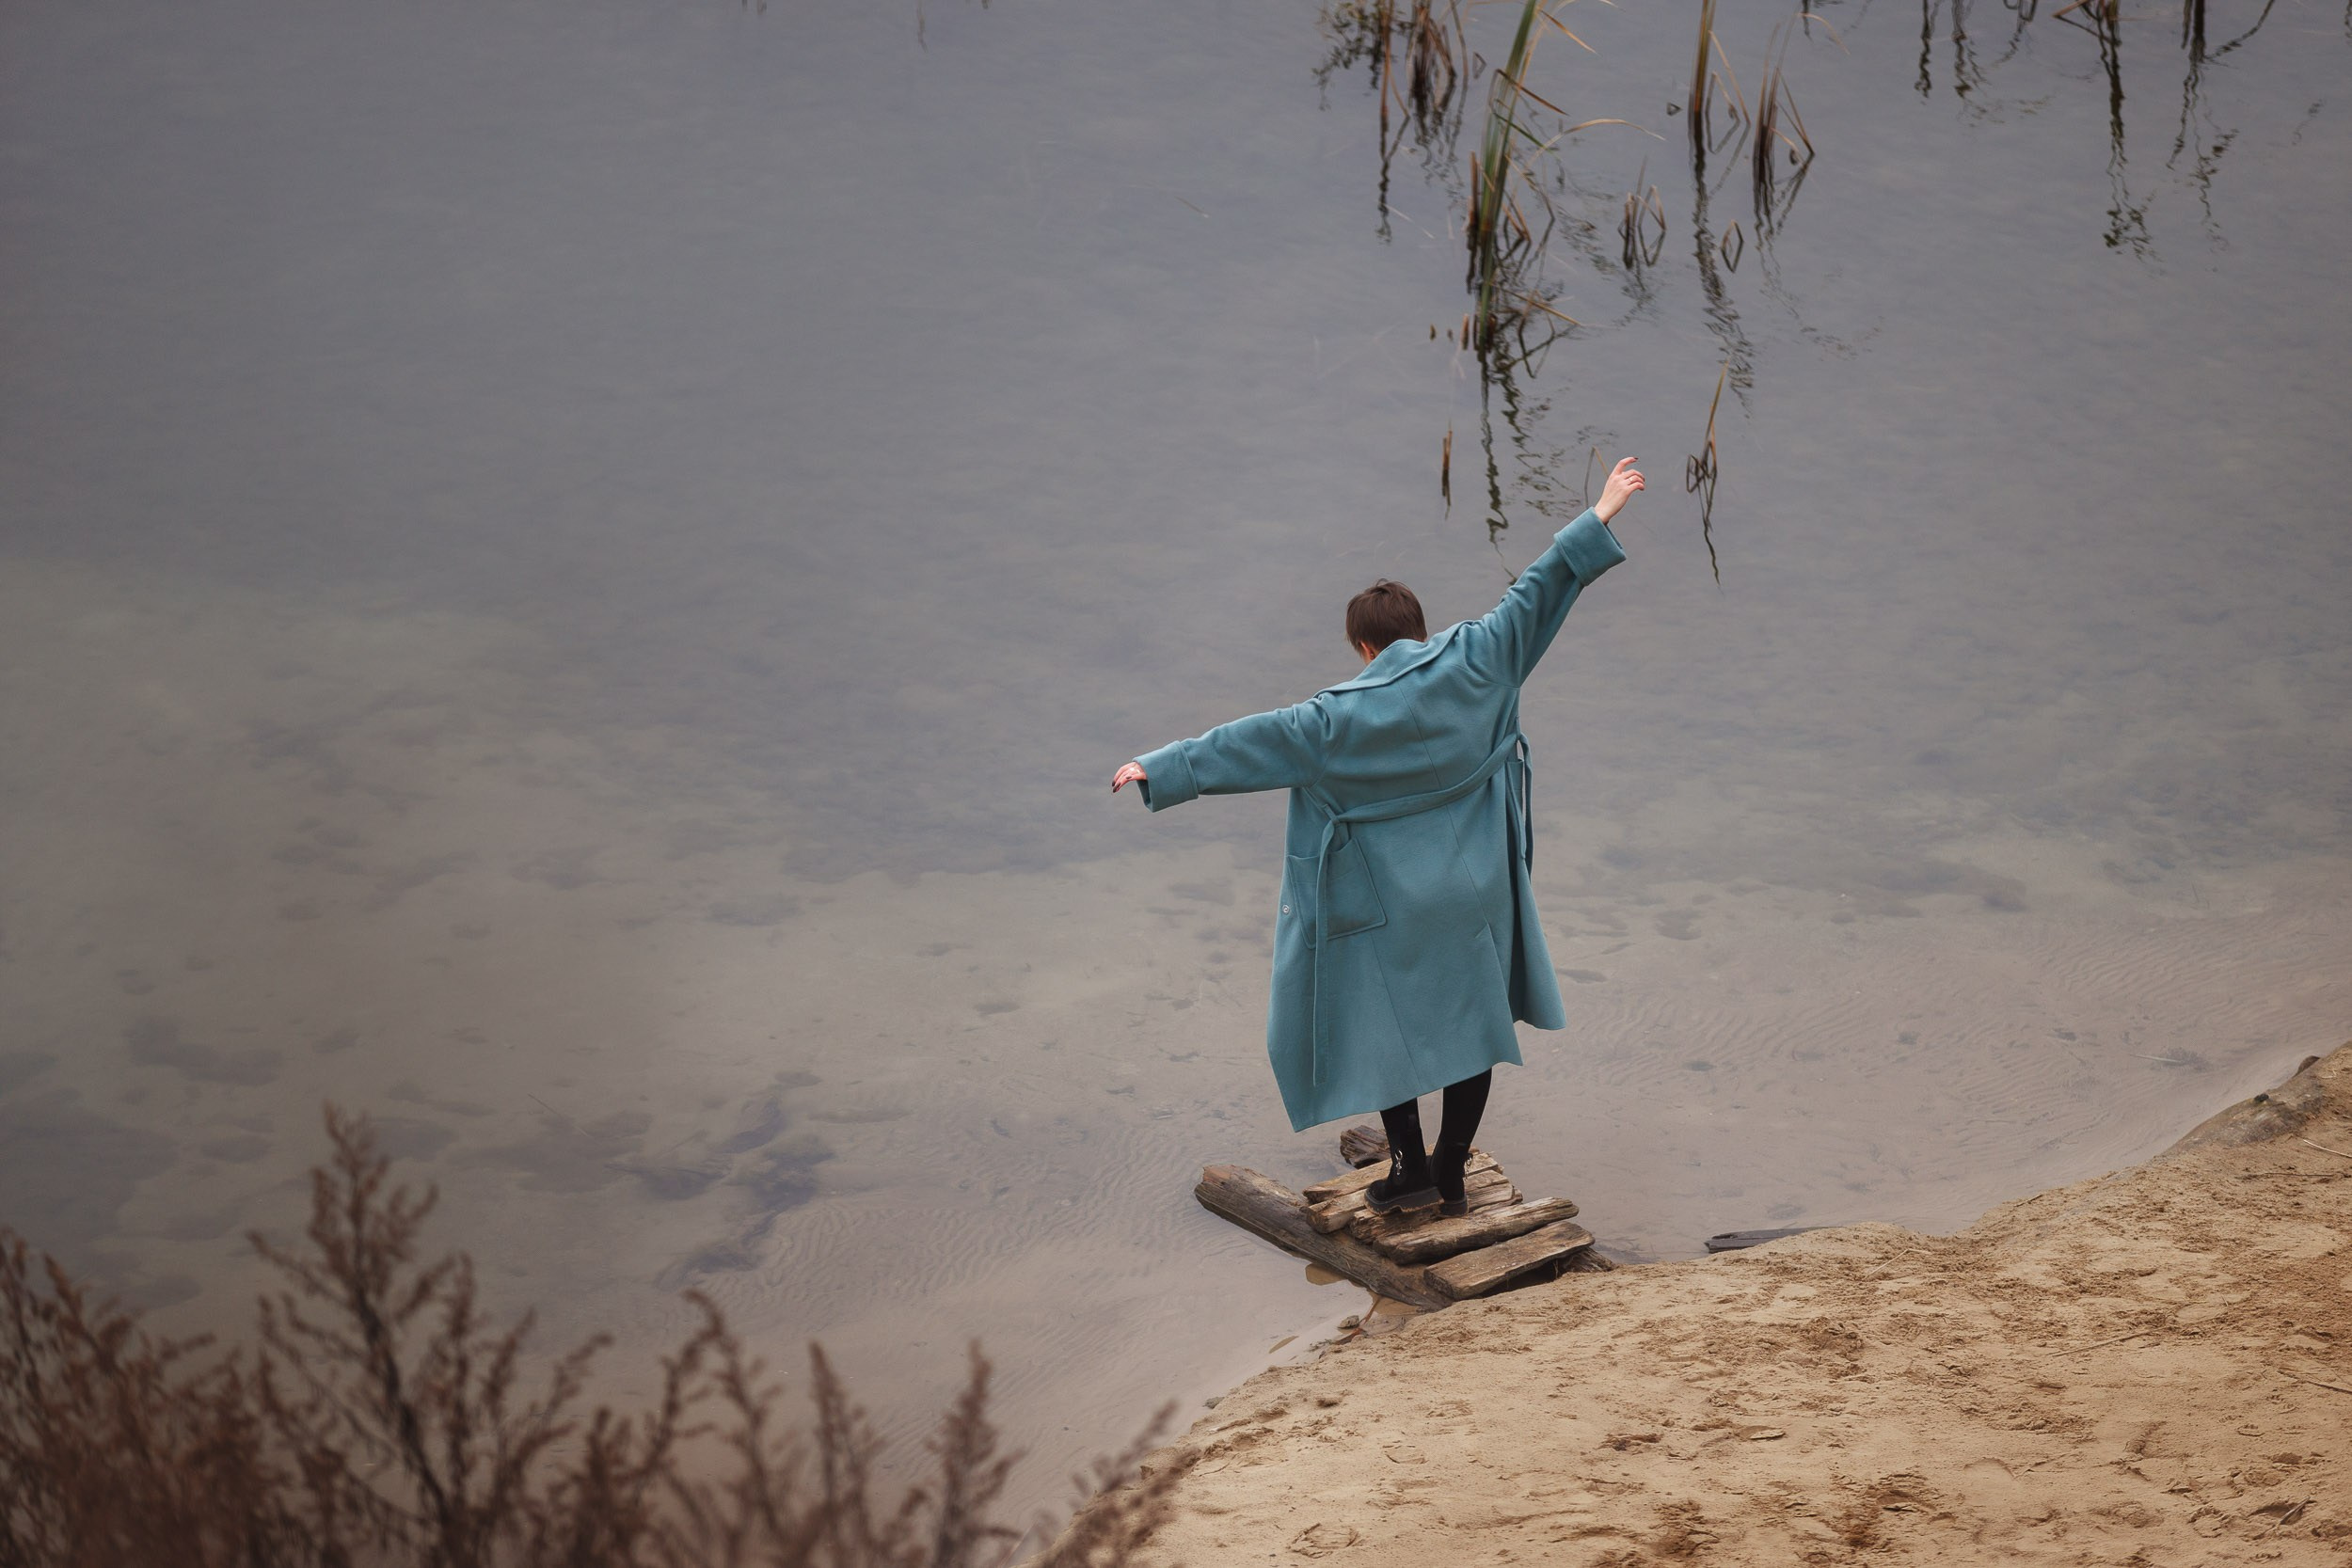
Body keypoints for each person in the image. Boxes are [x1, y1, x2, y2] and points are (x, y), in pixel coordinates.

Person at [1113, 458, 1645, 1217]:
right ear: (1418, 630)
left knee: (1380, 1019)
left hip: (1392, 898)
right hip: (1476, 886)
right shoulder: (1482, 656)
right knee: (1473, 1024)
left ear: (1362, 647)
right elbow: (1542, 586)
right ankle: (1453, 1169)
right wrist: (1601, 510)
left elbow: (1246, 743)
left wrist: (1156, 769)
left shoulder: (1333, 719)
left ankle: (1408, 1167)